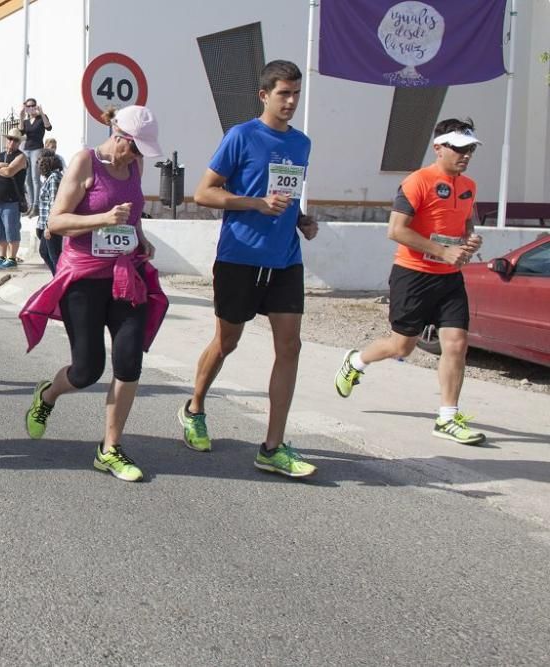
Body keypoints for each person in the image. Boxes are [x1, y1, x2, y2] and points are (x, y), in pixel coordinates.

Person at [180, 60, 319, 478]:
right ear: (264, 95)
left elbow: (285, 195)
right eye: (283, 94)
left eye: (296, 93)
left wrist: (300, 219)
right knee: (227, 342)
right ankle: (194, 407)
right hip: (239, 257)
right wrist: (255, 204)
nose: (291, 101)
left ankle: (272, 447)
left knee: (290, 347)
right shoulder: (240, 136)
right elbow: (203, 193)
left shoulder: (302, 144)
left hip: (285, 260)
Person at [19, 105, 168, 483]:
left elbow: (131, 216)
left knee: (129, 358)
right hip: (84, 278)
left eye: (141, 152)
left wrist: (142, 239)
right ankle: (48, 395)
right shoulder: (85, 162)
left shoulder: (136, 166)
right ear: (118, 136)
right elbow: (56, 221)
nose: (136, 157)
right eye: (133, 148)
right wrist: (102, 219)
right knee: (87, 370)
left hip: (124, 274)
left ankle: (110, 448)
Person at [334, 119, 486, 445]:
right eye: (458, 148)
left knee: (457, 345)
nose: (465, 155)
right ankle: (356, 361)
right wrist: (442, 250)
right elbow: (396, 230)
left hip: (449, 279)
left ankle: (447, 418)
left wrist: (469, 242)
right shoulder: (417, 182)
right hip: (413, 275)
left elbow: (466, 226)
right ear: (438, 147)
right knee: (403, 346)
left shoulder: (469, 185)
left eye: (469, 149)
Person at [0, 128, 28, 270]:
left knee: (11, 230)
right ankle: (2, 257)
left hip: (11, 200)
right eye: (10, 138)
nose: (12, 142)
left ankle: (12, 258)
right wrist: (0, 165)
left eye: (15, 140)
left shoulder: (20, 156)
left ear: (19, 142)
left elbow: (9, 172)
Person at [21, 98, 53, 215]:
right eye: (28, 106)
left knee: (35, 177)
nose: (30, 108)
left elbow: (49, 127)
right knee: (27, 178)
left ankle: (36, 205)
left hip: (37, 149)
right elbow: (21, 132)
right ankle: (31, 205)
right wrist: (20, 116)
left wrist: (42, 112)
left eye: (32, 105)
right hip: (26, 150)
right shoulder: (26, 121)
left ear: (36, 106)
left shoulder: (41, 118)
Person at [36, 150, 65, 274]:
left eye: (40, 161)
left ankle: (60, 283)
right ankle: (57, 279)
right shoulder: (50, 177)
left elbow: (54, 203)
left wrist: (49, 226)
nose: (38, 164)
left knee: (55, 257)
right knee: (44, 252)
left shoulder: (54, 178)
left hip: (52, 225)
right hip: (46, 224)